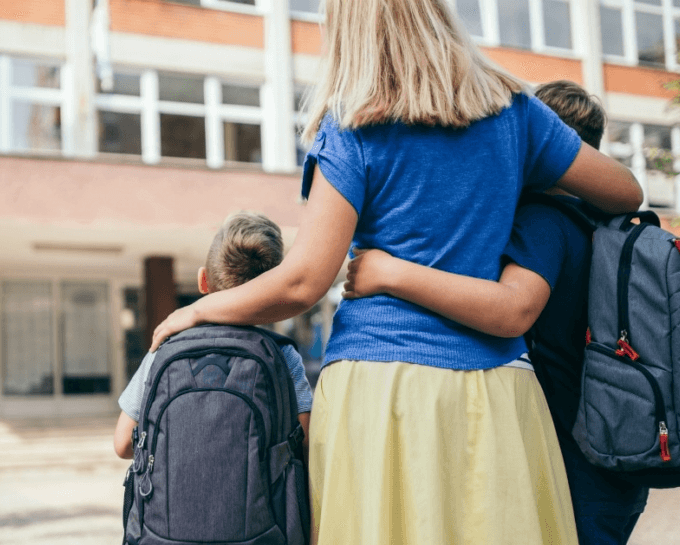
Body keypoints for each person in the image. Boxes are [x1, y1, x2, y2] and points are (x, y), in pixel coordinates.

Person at [148, 1, 643, 543]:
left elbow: (303, 282)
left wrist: (196, 310)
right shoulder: (516, 114)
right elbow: (626, 192)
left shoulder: (352, 127)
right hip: (498, 391)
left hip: (381, 389)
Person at [341, 79, 649, 545]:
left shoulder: (546, 221)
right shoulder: (602, 228)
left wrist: (389, 273)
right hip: (615, 455)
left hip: (575, 464)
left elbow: (513, 311)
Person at [114, 211, 313, 459]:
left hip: (176, 496)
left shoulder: (166, 346)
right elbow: (304, 443)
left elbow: (123, 443)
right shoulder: (283, 355)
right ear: (272, 292)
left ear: (203, 281)